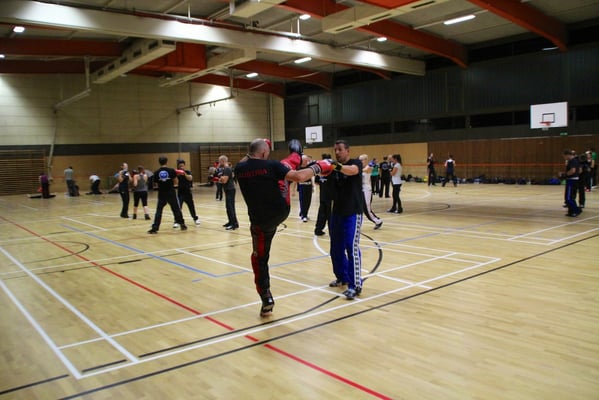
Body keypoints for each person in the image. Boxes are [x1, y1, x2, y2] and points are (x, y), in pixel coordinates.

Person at [235, 138, 335, 316]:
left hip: (259, 223)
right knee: (285, 173)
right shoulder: (272, 165)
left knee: (259, 259)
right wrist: (319, 166)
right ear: (264, 153)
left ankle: (266, 298)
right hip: (280, 211)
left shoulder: (239, 168)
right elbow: (299, 177)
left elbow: (247, 159)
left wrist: (256, 149)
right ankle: (296, 154)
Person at [327, 140, 364, 300]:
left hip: (352, 212)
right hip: (337, 212)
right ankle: (342, 277)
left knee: (351, 247)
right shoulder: (333, 169)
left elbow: (352, 171)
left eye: (340, 149)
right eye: (335, 150)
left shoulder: (355, 163)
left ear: (347, 151)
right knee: (336, 248)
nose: (337, 152)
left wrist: (335, 166)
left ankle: (355, 285)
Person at [148, 156, 187, 233]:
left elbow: (155, 184)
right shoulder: (171, 171)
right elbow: (176, 182)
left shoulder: (156, 172)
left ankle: (155, 228)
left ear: (159, 162)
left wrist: (162, 183)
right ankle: (182, 224)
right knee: (176, 209)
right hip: (171, 192)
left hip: (162, 193)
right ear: (166, 161)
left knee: (159, 211)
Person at [359, 154, 383, 229]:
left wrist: (355, 170)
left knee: (367, 208)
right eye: (359, 160)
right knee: (361, 208)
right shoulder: (361, 168)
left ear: (366, 160)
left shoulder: (368, 167)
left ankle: (378, 221)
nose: (360, 161)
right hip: (361, 190)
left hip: (367, 190)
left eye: (361, 160)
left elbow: (365, 170)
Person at [175, 159, 201, 226]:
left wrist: (184, 174)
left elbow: (190, 178)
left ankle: (195, 218)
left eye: (182, 166)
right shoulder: (176, 173)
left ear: (184, 165)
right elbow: (175, 182)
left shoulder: (187, 172)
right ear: (178, 166)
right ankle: (177, 221)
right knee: (178, 207)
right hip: (180, 193)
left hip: (187, 193)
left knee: (191, 207)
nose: (181, 167)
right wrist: (177, 175)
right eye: (180, 166)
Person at [314, 153, 333, 236]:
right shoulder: (332, 168)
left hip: (322, 195)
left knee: (322, 213)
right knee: (330, 214)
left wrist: (323, 183)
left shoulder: (320, 168)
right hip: (331, 196)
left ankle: (318, 229)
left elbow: (316, 182)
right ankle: (332, 232)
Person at [219, 155, 239, 230]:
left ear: (223, 161)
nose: (219, 163)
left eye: (220, 161)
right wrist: (221, 178)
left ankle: (234, 224)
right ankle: (231, 222)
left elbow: (224, 181)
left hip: (230, 189)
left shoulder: (227, 169)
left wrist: (221, 177)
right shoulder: (225, 169)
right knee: (228, 207)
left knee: (230, 207)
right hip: (228, 189)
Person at [561, 149, 582, 217]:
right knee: (569, 197)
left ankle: (576, 210)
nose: (564, 158)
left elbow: (573, 170)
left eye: (564, 156)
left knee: (569, 197)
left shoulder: (573, 161)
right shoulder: (575, 161)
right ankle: (571, 211)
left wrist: (565, 175)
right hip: (573, 180)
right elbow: (579, 171)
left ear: (568, 155)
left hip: (572, 180)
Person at [297, 154, 314, 222]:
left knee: (308, 201)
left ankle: (304, 213)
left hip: (309, 186)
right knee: (303, 201)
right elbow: (296, 179)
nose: (307, 161)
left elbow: (310, 177)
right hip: (302, 186)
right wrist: (293, 190)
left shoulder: (309, 167)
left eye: (307, 160)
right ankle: (304, 215)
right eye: (305, 160)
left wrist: (312, 186)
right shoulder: (298, 168)